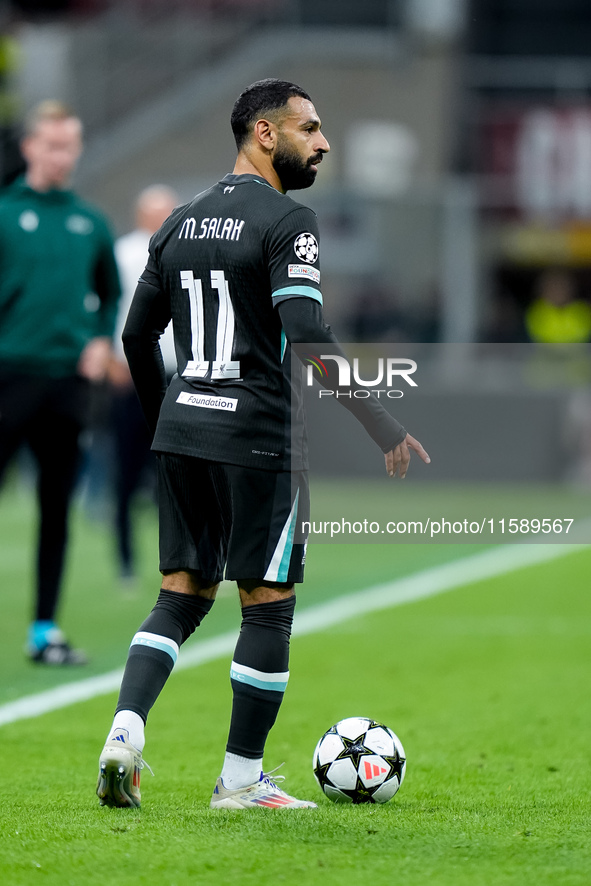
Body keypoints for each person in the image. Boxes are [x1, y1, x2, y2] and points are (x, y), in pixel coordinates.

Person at [96, 79, 429, 811]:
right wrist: (381, 423)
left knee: (180, 595)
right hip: (257, 438)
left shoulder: (177, 222)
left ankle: (124, 732)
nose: (324, 141)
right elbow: (307, 331)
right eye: (309, 128)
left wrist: (167, 421)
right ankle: (240, 781)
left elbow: (133, 335)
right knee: (267, 603)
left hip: (183, 427)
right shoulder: (288, 221)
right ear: (264, 135)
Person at [0, 100, 121, 664]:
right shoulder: (3, 213)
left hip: (66, 384)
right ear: (29, 148)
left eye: (69, 145)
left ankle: (44, 630)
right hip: (9, 377)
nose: (61, 155)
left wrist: (100, 338)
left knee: (56, 508)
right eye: (51, 144)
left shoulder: (90, 222)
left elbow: (111, 293)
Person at [110, 185, 179, 586]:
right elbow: (108, 308)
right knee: (126, 469)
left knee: (180, 471)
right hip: (132, 373)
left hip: (175, 372)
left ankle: (186, 558)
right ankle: (125, 561)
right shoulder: (124, 254)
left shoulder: (185, 248)